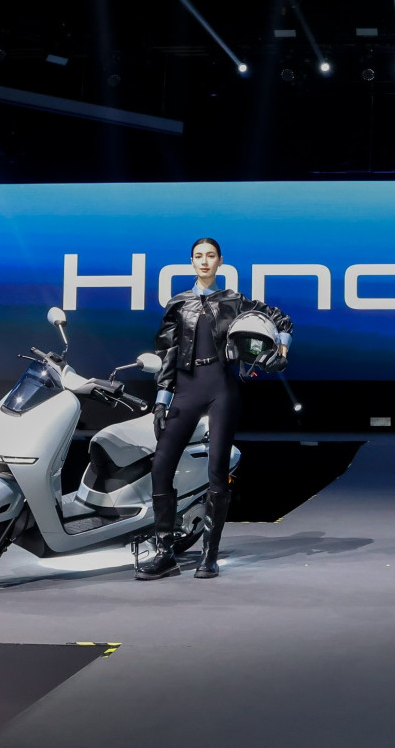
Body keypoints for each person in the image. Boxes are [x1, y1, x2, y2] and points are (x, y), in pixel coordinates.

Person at [135, 238, 294, 580]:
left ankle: (209, 555)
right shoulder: (178, 303)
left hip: (221, 388)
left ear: (220, 261)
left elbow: (282, 321)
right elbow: (167, 354)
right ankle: (165, 553)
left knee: (217, 471)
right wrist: (161, 401)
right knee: (161, 466)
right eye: (198, 256)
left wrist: (280, 353)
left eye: (210, 256)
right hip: (186, 389)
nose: (204, 261)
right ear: (191, 261)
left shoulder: (235, 301)